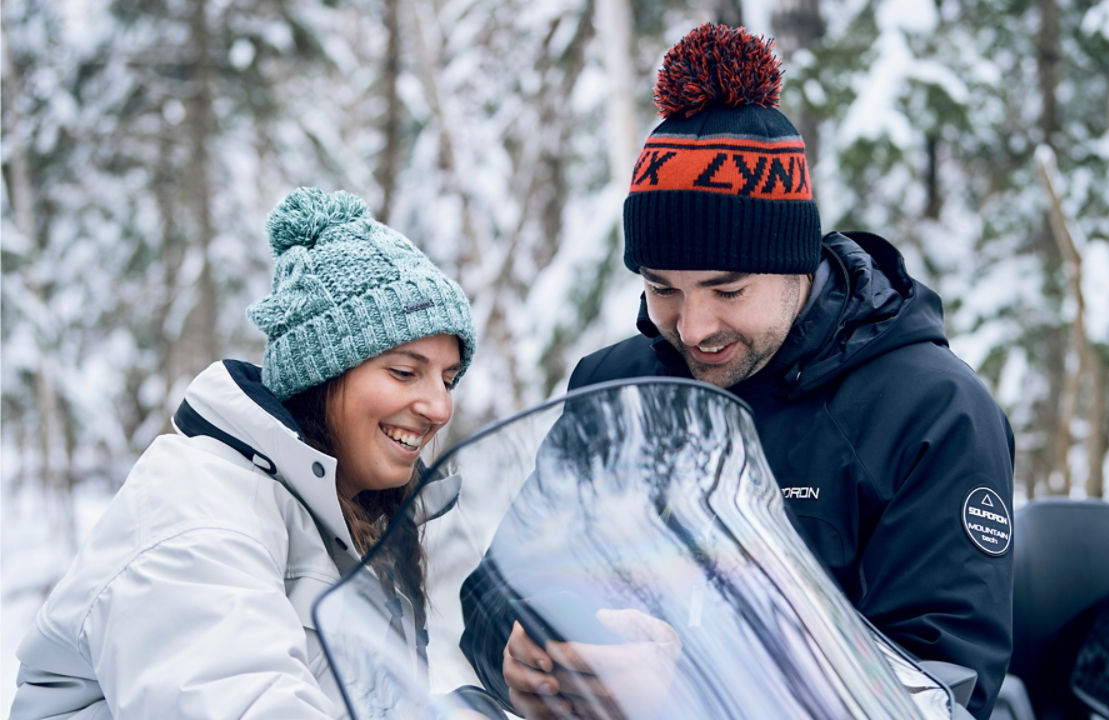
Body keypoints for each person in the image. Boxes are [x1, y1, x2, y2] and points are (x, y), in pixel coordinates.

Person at [459, 24, 1016, 720]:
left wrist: (689, 686)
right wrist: (520, 654)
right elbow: (497, 587)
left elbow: (940, 681)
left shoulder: (930, 410)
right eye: (663, 289)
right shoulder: (618, 390)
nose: (693, 328)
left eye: (727, 291)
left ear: (796, 262)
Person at [10, 187, 481, 718]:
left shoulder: (353, 521)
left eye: (447, 379)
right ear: (321, 374)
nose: (439, 408)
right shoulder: (199, 508)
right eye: (404, 371)